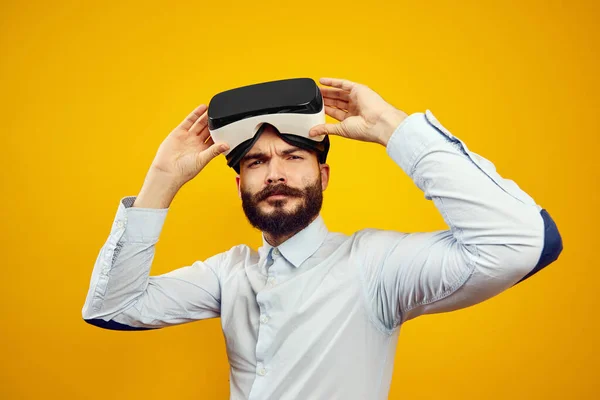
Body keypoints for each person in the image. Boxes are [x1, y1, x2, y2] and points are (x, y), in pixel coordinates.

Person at [81, 77, 563, 400]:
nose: (275, 173)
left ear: (324, 175)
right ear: (240, 184)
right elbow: (112, 308)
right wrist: (162, 178)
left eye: (293, 157)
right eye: (256, 162)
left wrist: (395, 129)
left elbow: (522, 241)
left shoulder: (375, 265)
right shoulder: (228, 273)